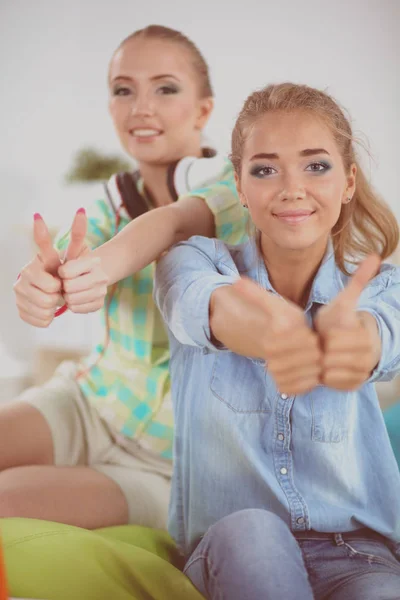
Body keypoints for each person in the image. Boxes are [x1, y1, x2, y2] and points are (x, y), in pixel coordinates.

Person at [154, 83, 400, 599]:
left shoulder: (381, 288)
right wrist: (275, 335)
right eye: (265, 169)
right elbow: (207, 307)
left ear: (349, 182)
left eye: (316, 166)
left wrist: (355, 342)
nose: (292, 188)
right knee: (256, 535)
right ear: (240, 186)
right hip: (234, 548)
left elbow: (384, 332)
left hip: (358, 554)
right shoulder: (194, 262)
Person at [5, 25, 246, 530]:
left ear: (204, 110)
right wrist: (45, 284)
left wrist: (99, 270)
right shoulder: (107, 201)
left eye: (165, 88)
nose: (141, 106)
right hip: (86, 403)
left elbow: (174, 223)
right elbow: (74, 249)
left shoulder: (237, 191)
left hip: (169, 467)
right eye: (123, 89)